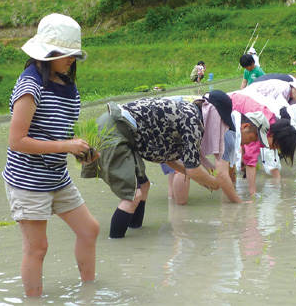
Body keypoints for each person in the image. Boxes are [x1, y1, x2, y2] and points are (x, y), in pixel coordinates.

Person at [1, 13, 100, 297]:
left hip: (56, 176)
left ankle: (88, 293)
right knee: (37, 247)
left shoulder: (68, 86)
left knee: (89, 230)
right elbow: (16, 140)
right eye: (65, 53)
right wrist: (64, 146)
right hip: (28, 179)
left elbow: (61, 135)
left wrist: (82, 151)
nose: (71, 59)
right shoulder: (30, 85)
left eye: (73, 54)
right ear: (47, 52)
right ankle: (34, 301)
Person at [81, 97, 220, 237]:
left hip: (116, 128)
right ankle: (116, 245)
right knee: (133, 196)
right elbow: (193, 168)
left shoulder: (186, 110)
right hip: (113, 132)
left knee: (144, 185)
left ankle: (134, 230)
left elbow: (167, 159)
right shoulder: (193, 120)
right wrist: (213, 182)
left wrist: (203, 179)